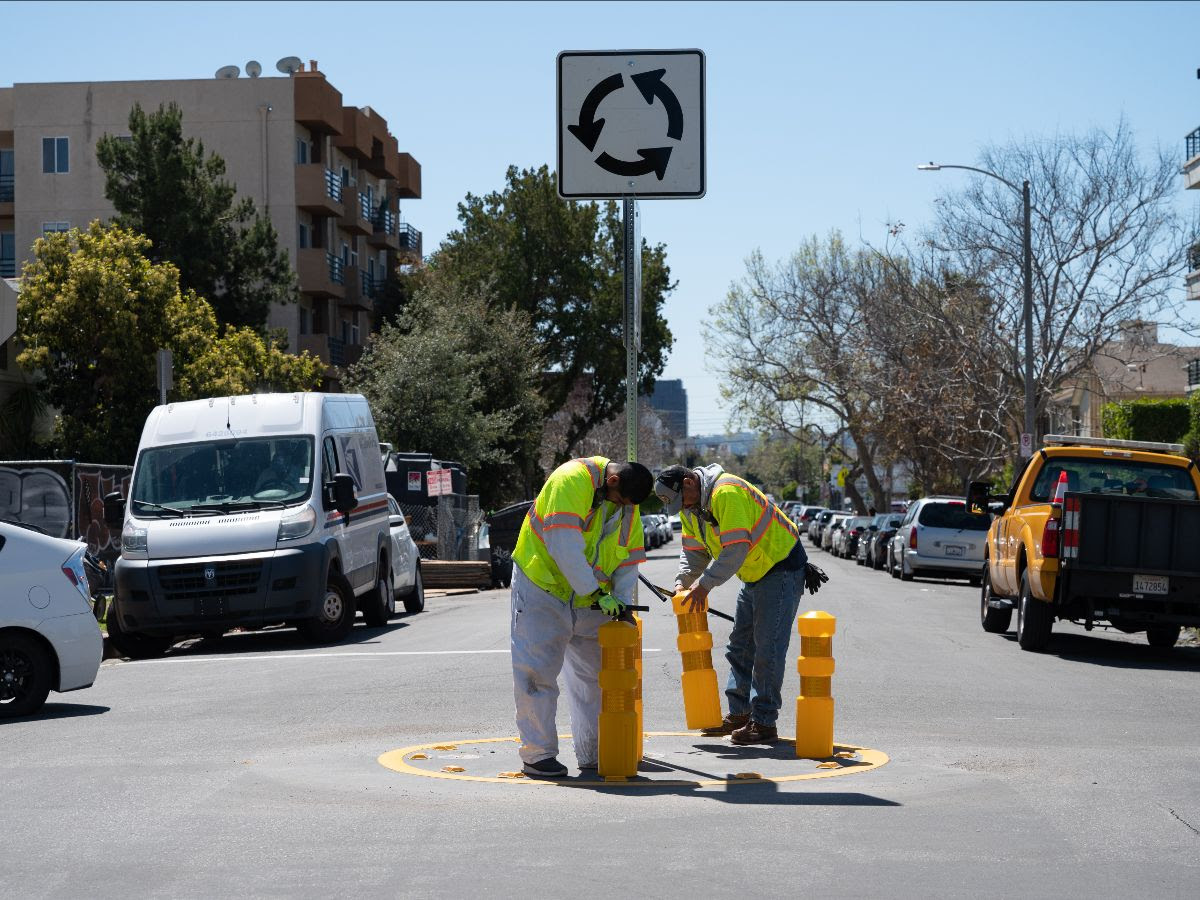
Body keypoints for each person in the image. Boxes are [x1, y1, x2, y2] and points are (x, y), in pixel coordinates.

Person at [510, 457, 652, 778]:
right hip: (543, 590)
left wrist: (622, 604)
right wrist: (597, 593)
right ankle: (538, 754)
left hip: (590, 599)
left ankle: (595, 754)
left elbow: (628, 559)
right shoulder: (571, 479)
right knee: (536, 675)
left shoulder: (628, 506)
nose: (622, 509)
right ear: (612, 482)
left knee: (595, 679)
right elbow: (564, 545)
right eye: (619, 501)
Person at [654, 463, 807, 745]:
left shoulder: (727, 492)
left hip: (780, 568)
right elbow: (694, 552)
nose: (682, 508)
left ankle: (763, 722)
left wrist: (704, 586)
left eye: (681, 500)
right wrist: (682, 582)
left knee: (767, 649)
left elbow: (737, 548)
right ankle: (739, 713)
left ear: (689, 482)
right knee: (739, 646)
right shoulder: (692, 509)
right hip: (755, 573)